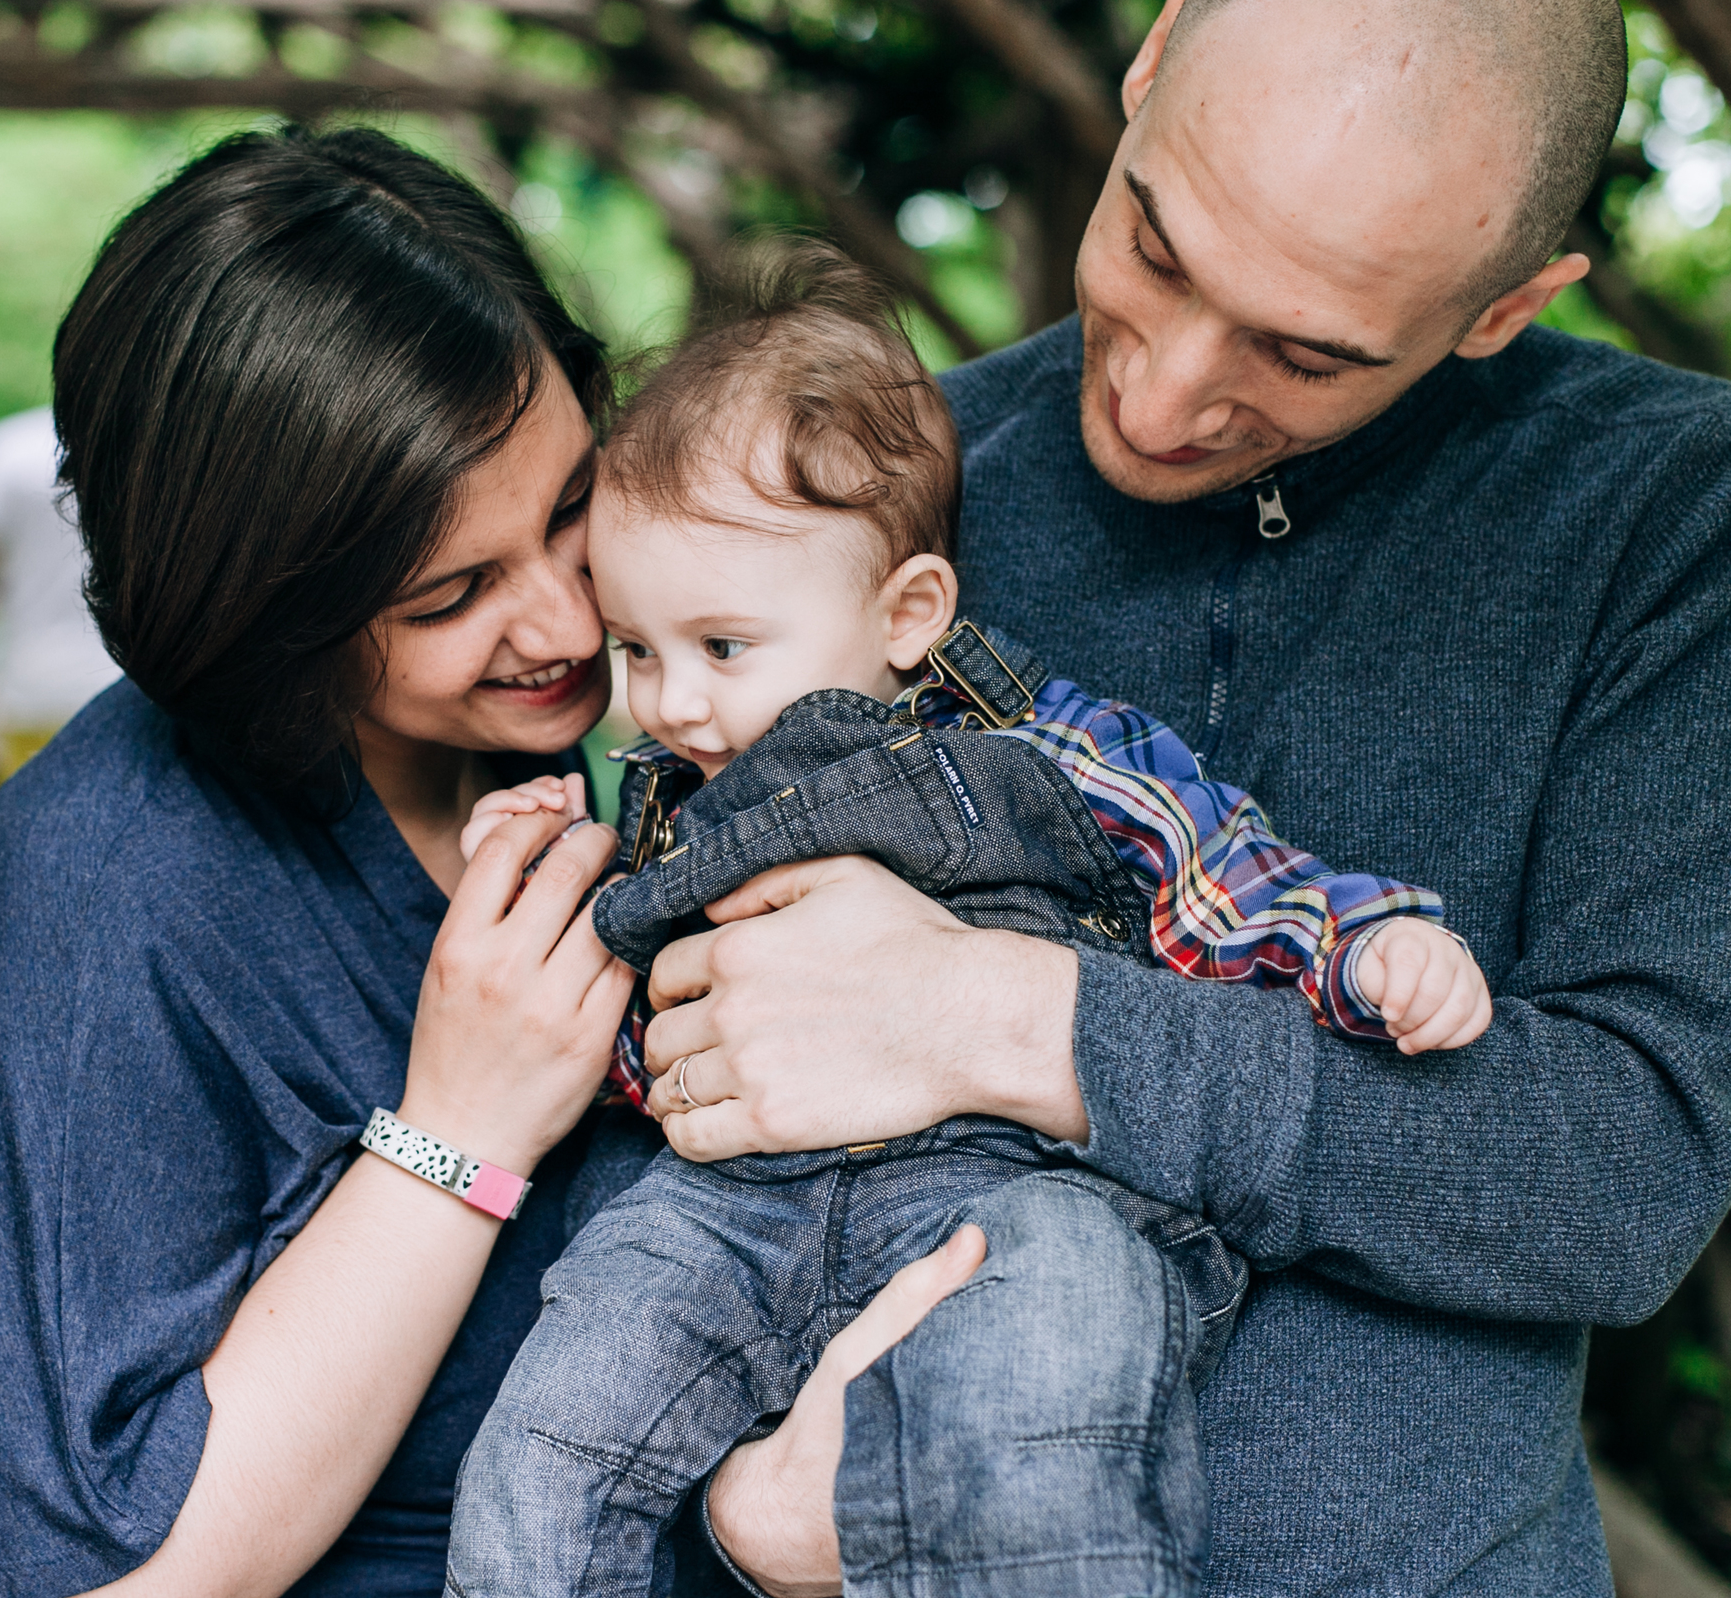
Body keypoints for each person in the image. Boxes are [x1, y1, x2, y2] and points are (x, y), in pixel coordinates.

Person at [623, 0, 1731, 1592]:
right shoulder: (868, 520)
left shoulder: (1686, 518)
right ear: (1156, 56)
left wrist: (1005, 1021)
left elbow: (1622, 1169)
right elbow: (690, 1062)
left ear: (1506, 308)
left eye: (1309, 354)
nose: (1167, 388)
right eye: (1153, 240)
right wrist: (740, 1511)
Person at [0, 128, 950, 1597]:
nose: (569, 627)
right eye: (452, 591)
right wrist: (458, 1131)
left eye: (570, 509)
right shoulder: (84, 918)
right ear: (269, 616)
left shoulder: (563, 736)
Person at [447, 249, 1492, 1596]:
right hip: (735, 1202)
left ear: (907, 612)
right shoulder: (667, 800)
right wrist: (542, 883)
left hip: (1014, 1188)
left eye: (721, 647)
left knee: (1052, 1362)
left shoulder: (1034, 750)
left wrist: (1364, 947)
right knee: (562, 1398)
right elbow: (642, 1045)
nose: (668, 706)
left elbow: (1212, 873)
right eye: (636, 648)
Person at [0, 405, 121, 791]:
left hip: (28, 690)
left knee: (22, 835)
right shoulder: (136, 445)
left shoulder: (6, 447)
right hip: (118, 694)